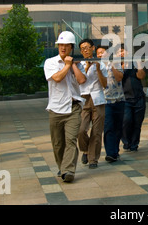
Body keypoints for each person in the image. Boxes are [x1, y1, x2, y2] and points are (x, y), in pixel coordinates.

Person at [43, 31, 86, 183]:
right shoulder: (50, 62)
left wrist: (73, 65)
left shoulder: (78, 64)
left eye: (66, 45)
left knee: (71, 140)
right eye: (60, 45)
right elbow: (57, 78)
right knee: (58, 143)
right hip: (55, 108)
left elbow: (81, 80)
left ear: (71, 47)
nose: (62, 48)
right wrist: (67, 65)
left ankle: (68, 171)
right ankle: (62, 166)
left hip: (73, 107)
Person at [77, 38, 108, 169]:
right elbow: (80, 81)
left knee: (96, 131)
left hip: (98, 99)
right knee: (81, 130)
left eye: (87, 47)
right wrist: (88, 66)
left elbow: (105, 84)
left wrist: (98, 69)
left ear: (93, 48)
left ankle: (93, 159)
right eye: (82, 48)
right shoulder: (78, 64)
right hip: (84, 99)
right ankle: (85, 150)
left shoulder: (101, 63)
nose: (85, 50)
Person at [97, 45, 125, 163]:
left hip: (119, 100)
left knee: (118, 128)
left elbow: (119, 78)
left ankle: (115, 151)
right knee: (108, 127)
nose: (100, 55)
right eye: (98, 53)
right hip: (106, 101)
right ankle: (110, 153)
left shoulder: (116, 63)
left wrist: (112, 65)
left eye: (102, 52)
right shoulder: (96, 66)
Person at [121, 46, 146, 152]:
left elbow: (141, 76)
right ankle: (126, 142)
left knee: (137, 122)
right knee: (126, 121)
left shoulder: (134, 64)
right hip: (125, 99)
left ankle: (134, 144)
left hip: (139, 97)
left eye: (123, 51)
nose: (121, 53)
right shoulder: (116, 65)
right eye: (119, 52)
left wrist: (139, 65)